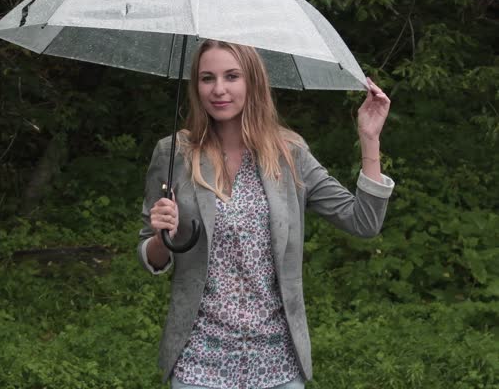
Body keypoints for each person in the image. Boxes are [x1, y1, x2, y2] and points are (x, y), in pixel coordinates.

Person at [138, 39, 394, 389]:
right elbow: (151, 257)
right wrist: (160, 235)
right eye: (207, 78)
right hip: (200, 362)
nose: (219, 89)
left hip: (278, 365)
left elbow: (363, 222)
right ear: (196, 87)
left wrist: (370, 139)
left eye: (232, 76)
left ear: (253, 82)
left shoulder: (289, 154)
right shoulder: (174, 154)